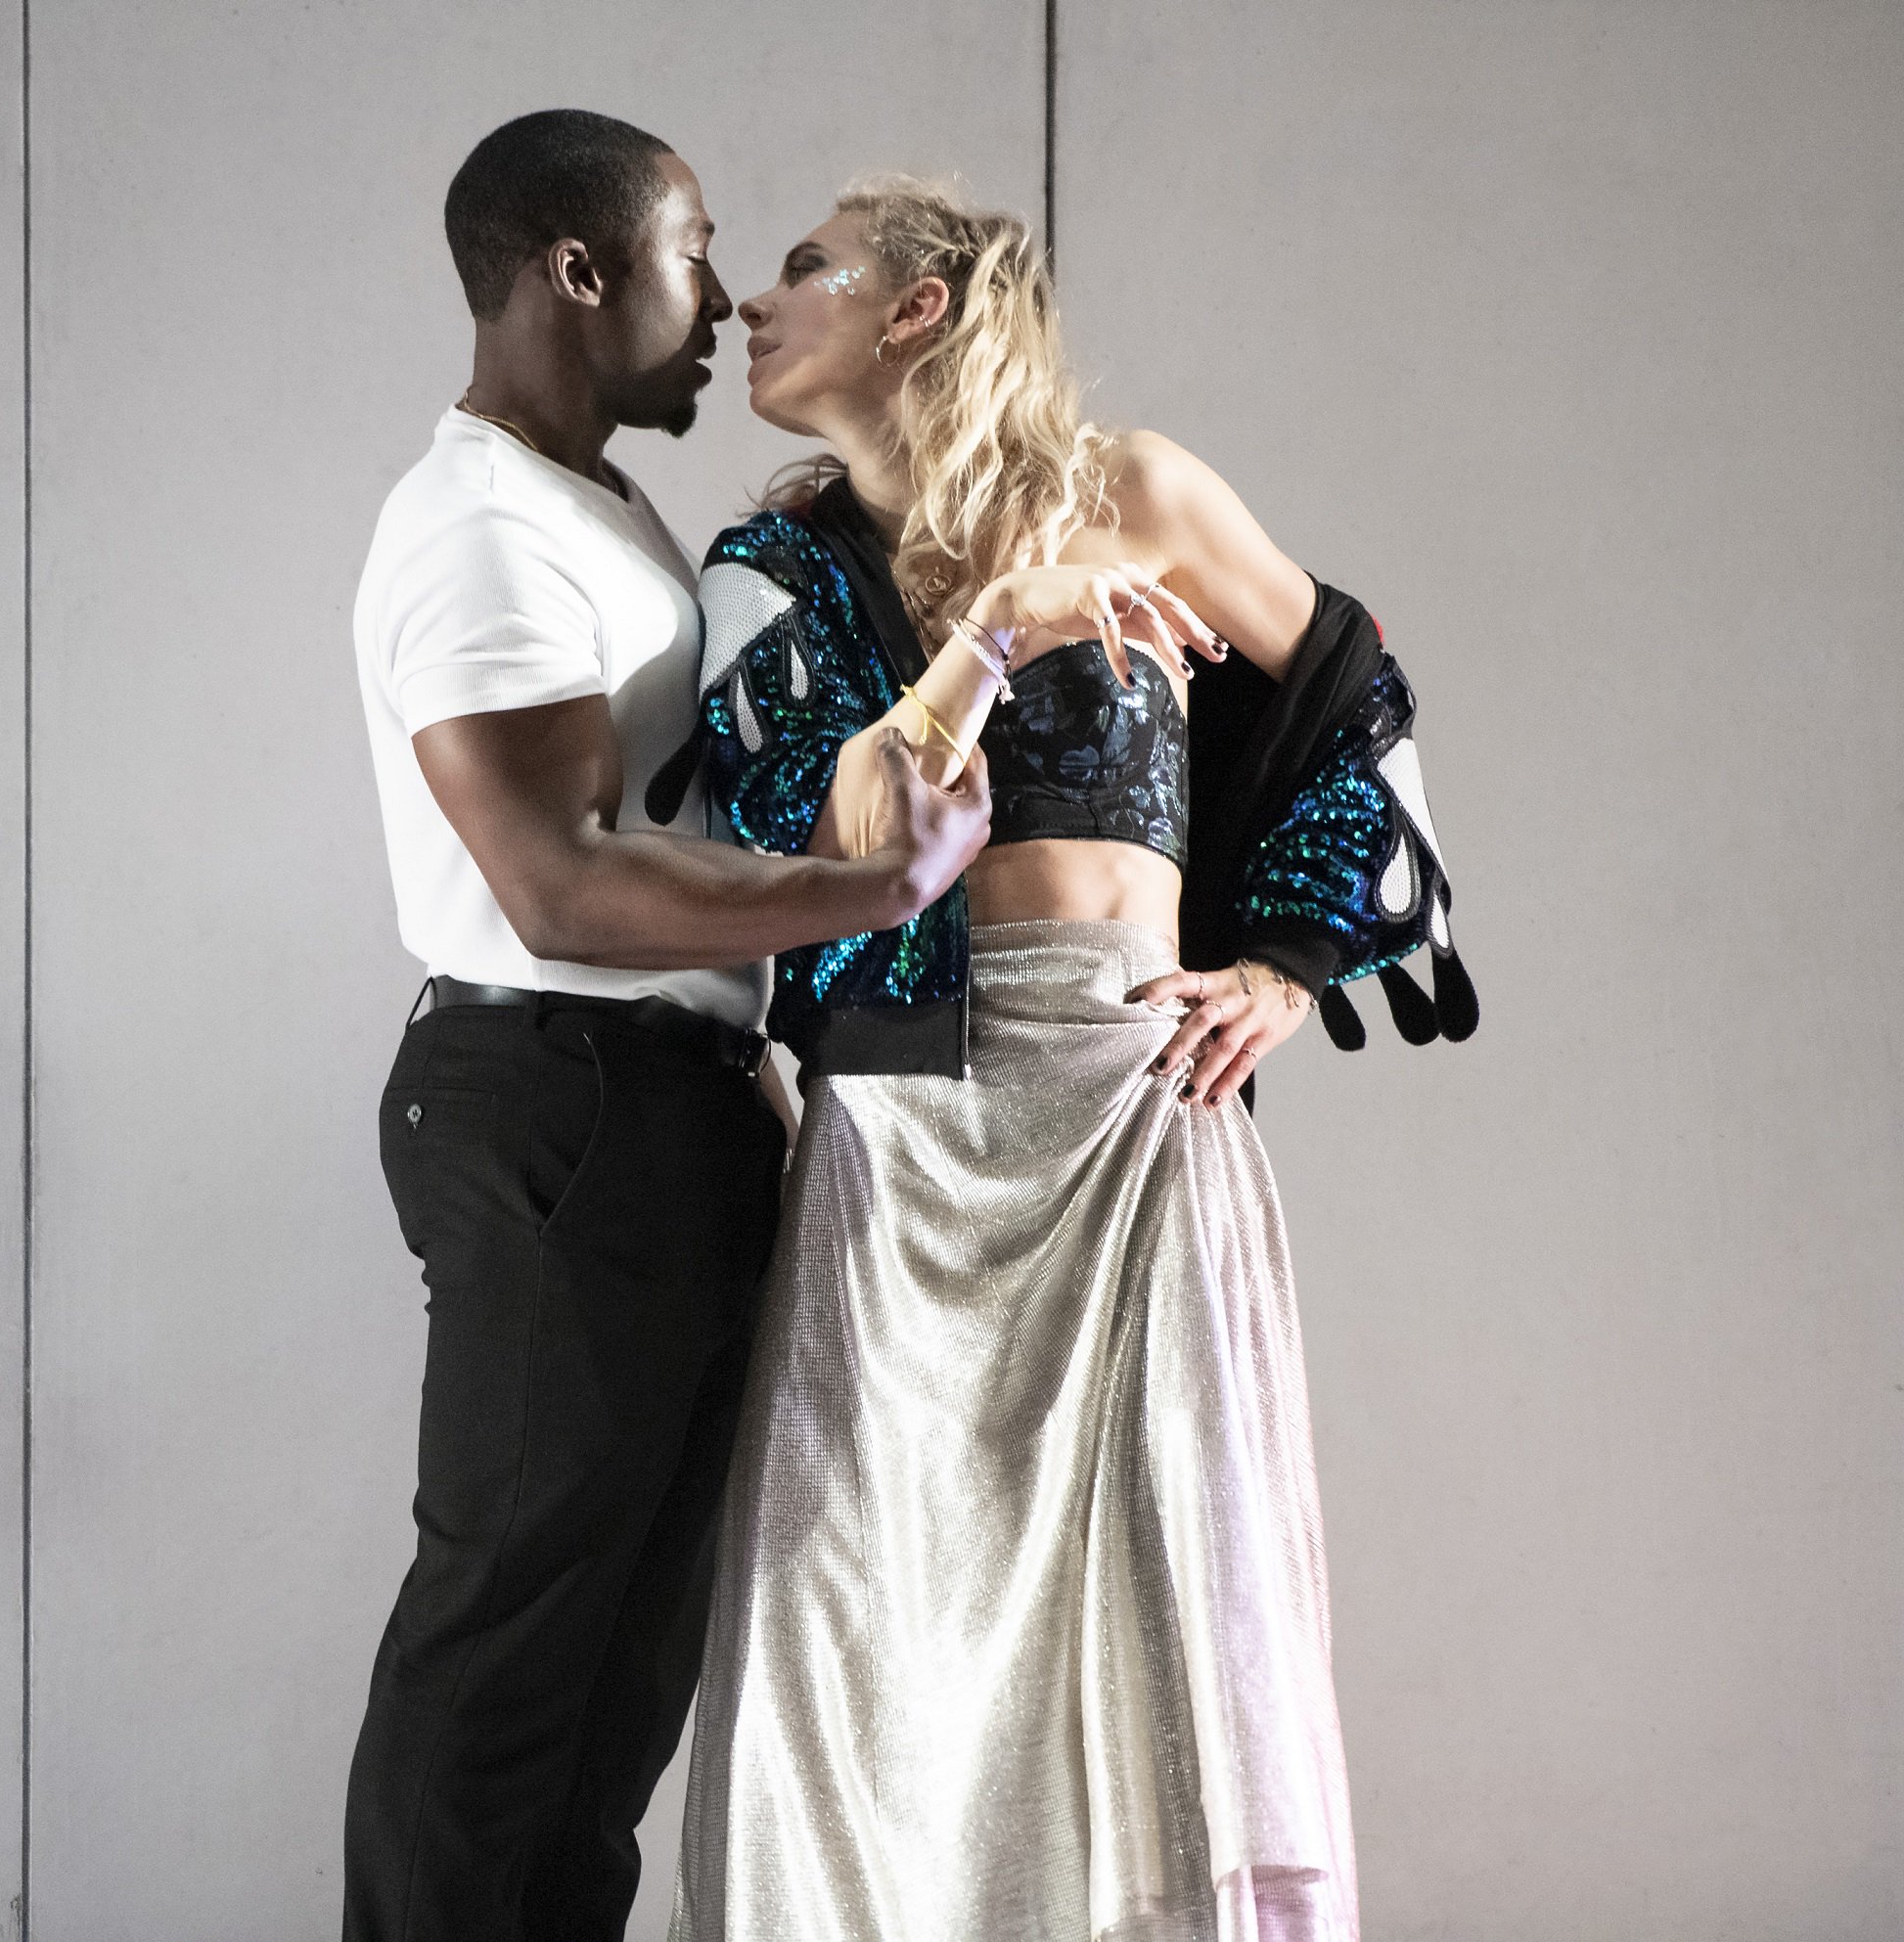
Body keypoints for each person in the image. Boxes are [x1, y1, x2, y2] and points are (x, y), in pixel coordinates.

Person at [662, 175, 1473, 1942]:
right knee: (867, 1623)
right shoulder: (766, 572)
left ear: (917, 308)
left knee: (1162, 1596)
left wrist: (1285, 961)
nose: (748, 306)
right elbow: (825, 842)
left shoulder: (1144, 492)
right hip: (899, 1138)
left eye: (802, 269)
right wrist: (993, 635)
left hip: (1131, 1102)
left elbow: (1362, 701)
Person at [340, 113, 1058, 1942]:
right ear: (579, 272)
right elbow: (558, 884)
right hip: (558, 1093)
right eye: (694, 249)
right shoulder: (479, 525)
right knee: (508, 1650)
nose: (724, 294)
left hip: (654, 1105)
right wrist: (870, 891)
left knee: (611, 1685)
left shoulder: (588, 507)